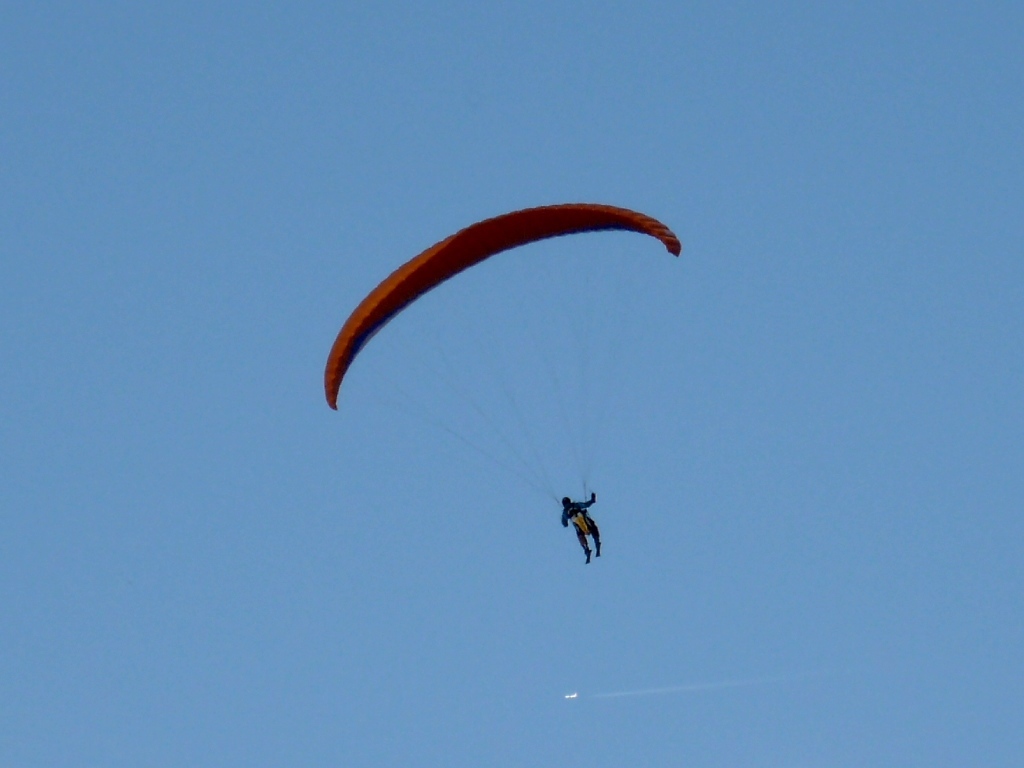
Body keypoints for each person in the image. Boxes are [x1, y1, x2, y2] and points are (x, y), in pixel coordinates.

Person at [561, 492, 601, 564]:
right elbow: (586, 505)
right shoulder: (575, 505)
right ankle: (597, 544)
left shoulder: (565, 512)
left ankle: (586, 550)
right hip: (586, 522)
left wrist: (566, 522)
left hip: (579, 527)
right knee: (593, 527)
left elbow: (564, 524)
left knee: (580, 536)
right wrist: (592, 500)